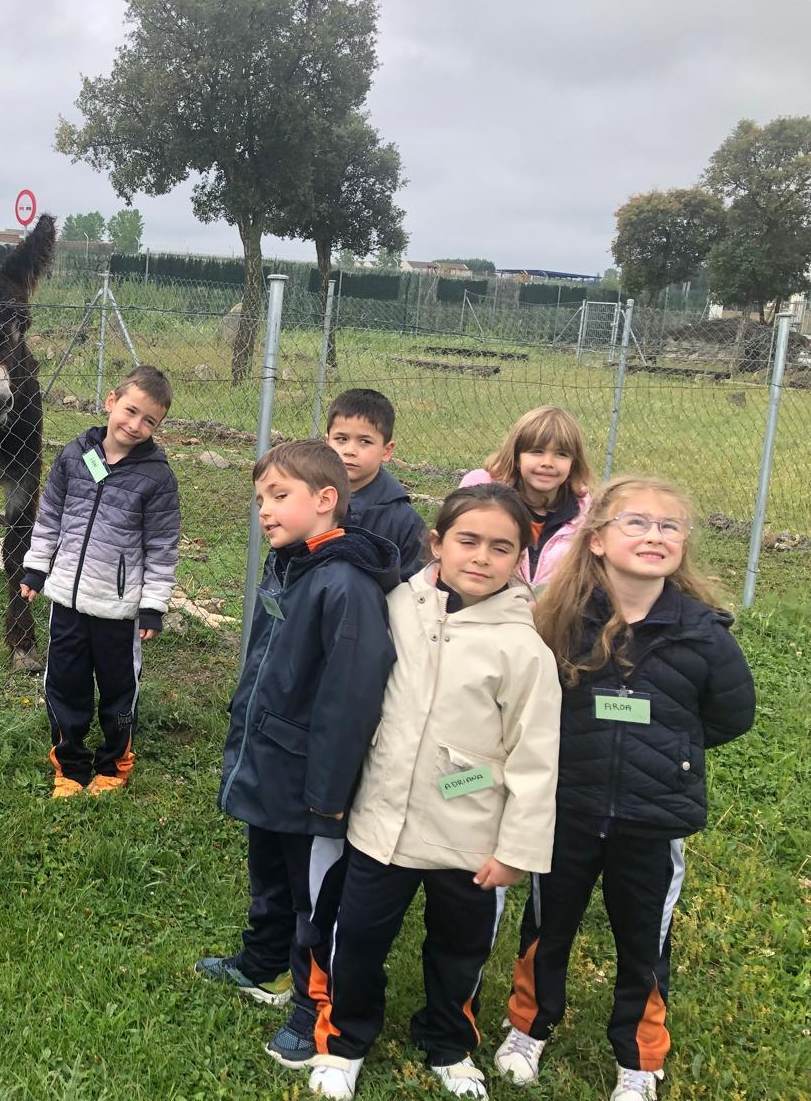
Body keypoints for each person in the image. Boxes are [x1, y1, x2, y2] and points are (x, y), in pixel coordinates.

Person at [495, 478, 755, 1101]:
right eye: (635, 523)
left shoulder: (705, 635)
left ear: (683, 546)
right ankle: (529, 1027)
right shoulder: (558, 622)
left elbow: (729, 717)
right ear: (597, 542)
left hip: (652, 820)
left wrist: (669, 759)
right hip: (568, 811)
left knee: (645, 943)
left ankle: (639, 1059)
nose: (654, 536)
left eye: (669, 526)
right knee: (546, 927)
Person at [307, 483, 562, 1100]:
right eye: (467, 541)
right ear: (437, 543)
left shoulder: (524, 648)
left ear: (519, 559)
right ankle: (345, 1040)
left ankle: (449, 1041)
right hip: (381, 825)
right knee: (360, 938)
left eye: (500, 548)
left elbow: (536, 760)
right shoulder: (394, 606)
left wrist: (514, 852)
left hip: (468, 839)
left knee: (459, 950)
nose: (481, 557)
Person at [196, 439, 399, 1070]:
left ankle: (313, 1009)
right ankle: (262, 964)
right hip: (271, 763)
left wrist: (328, 795)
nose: (264, 510)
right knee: (270, 872)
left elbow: (348, 698)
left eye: (279, 497)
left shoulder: (344, 585)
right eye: (260, 499)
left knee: (316, 898)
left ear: (326, 500)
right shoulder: (291, 562)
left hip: (312, 783)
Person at [20, 364, 181, 797]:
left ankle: (114, 763)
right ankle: (69, 766)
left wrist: (153, 605)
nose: (136, 425)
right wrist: (37, 568)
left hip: (118, 609)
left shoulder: (158, 478)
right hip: (67, 602)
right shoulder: (74, 456)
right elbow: (50, 517)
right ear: (111, 401)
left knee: (118, 690)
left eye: (150, 420)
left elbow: (162, 549)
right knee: (64, 684)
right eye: (130, 411)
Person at [461, 405, 593, 591]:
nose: (547, 463)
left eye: (561, 454)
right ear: (516, 456)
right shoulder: (481, 490)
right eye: (536, 451)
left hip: (554, 613)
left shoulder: (586, 513)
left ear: (574, 463)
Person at [326, 388, 428, 580]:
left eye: (364, 441)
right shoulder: (308, 500)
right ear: (327, 442)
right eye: (341, 439)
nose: (350, 450)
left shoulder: (403, 521)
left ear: (386, 451)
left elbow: (415, 588)